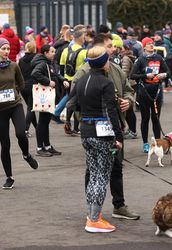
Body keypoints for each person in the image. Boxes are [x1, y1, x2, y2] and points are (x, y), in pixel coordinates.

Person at [70, 33, 139, 220]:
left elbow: (129, 90)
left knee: (116, 168)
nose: (114, 48)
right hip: (99, 130)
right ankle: (92, 211)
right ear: (99, 49)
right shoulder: (84, 72)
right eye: (109, 46)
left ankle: (119, 206)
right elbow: (74, 100)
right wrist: (86, 120)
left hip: (113, 127)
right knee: (94, 172)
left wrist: (128, 102)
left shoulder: (116, 69)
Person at [71, 46, 123, 233]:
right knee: (101, 176)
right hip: (102, 133)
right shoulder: (106, 83)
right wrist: (118, 136)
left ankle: (92, 215)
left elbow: (73, 103)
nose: (110, 62)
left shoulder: (82, 79)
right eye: (108, 59)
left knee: (94, 175)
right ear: (103, 63)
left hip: (86, 131)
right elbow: (111, 112)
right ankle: (94, 220)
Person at [0, 38, 38, 189]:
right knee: (5, 144)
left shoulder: (14, 66)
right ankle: (9, 177)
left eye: (8, 49)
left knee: (21, 134)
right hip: (0, 109)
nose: (6, 52)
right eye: (3, 49)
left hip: (15, 106)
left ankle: (26, 155)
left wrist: (15, 93)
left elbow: (21, 83)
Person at [130, 37, 170, 153]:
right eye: (148, 44)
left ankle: (158, 143)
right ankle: (145, 143)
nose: (151, 45)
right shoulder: (140, 60)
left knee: (156, 118)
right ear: (144, 46)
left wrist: (163, 75)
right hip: (144, 92)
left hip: (157, 92)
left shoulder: (159, 58)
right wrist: (144, 76)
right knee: (145, 118)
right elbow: (132, 75)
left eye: (152, 43)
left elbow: (168, 71)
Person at [31, 44, 68, 156]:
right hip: (44, 96)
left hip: (49, 96)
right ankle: (39, 148)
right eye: (52, 51)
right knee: (42, 122)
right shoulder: (42, 64)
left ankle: (47, 146)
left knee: (45, 122)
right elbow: (35, 73)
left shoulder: (49, 63)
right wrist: (47, 82)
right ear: (45, 53)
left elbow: (55, 74)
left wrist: (63, 80)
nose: (54, 53)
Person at [59, 25, 87, 135]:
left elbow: (61, 67)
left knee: (71, 102)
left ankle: (69, 124)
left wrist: (63, 80)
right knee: (78, 103)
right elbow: (87, 69)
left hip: (67, 81)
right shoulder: (84, 52)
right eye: (84, 37)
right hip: (79, 80)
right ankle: (76, 127)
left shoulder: (66, 50)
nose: (84, 39)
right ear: (80, 38)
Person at [18, 42, 37, 137]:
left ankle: (37, 128)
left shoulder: (21, 60)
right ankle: (25, 129)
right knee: (31, 108)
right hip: (33, 85)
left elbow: (19, 73)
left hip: (23, 86)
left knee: (31, 108)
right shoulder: (36, 58)